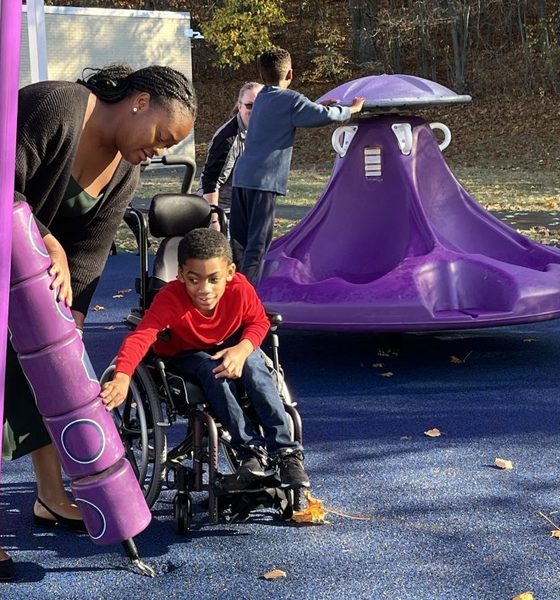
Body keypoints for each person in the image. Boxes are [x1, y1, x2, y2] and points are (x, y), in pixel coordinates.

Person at [0, 64, 196, 579]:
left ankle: (49, 494)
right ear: (138, 100)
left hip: (30, 284)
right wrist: (44, 238)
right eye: (160, 135)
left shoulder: (125, 172)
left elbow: (88, 255)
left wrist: (72, 325)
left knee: (49, 380)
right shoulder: (56, 107)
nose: (157, 150)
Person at [101, 227, 309, 490]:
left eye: (214, 279)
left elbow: (258, 322)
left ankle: (286, 453)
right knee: (215, 371)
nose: (204, 289)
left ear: (230, 273)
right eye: (193, 279)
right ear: (180, 275)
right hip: (184, 353)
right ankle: (250, 452)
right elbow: (141, 337)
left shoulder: (240, 289)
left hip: (230, 345)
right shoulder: (170, 299)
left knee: (255, 364)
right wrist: (122, 376)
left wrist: (243, 349)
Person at [230, 48, 364, 284]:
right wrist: (351, 110)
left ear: (262, 75)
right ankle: (246, 300)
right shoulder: (290, 100)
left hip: (242, 176)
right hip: (264, 181)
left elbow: (294, 113)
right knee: (258, 244)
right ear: (290, 74)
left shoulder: (262, 98)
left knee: (240, 242)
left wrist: (316, 105)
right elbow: (326, 117)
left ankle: (232, 291)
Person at [198, 81, 262, 229]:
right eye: (249, 105)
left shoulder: (263, 130)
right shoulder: (227, 138)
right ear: (239, 107)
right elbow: (211, 182)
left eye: (260, 105)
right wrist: (213, 220)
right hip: (224, 213)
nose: (255, 110)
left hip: (246, 210)